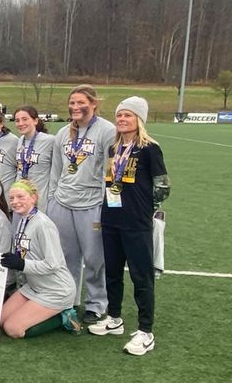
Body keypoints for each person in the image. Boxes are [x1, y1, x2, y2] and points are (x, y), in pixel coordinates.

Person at [88, 96, 170, 356]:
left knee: (140, 276)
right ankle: (114, 319)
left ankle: (146, 332)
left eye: (128, 115)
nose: (122, 119)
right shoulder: (114, 148)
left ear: (139, 120)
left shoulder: (149, 149)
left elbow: (163, 186)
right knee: (112, 272)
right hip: (111, 220)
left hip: (136, 223)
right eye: (119, 115)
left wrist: (145, 208)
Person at [48, 84, 116, 324]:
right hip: (63, 203)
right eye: (72, 102)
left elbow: (112, 170)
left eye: (80, 103)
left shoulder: (107, 130)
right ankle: (70, 298)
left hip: (92, 204)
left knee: (95, 258)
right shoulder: (63, 133)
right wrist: (52, 199)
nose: (75, 107)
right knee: (67, 256)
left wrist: (107, 204)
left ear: (94, 104)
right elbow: (56, 170)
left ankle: (97, 304)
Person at [0, 180, 76, 338]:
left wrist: (22, 264)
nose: (15, 202)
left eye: (20, 196)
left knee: (13, 329)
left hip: (56, 290)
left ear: (33, 198)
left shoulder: (43, 224)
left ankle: (63, 316)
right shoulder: (22, 220)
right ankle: (39, 311)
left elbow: (53, 264)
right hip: (34, 286)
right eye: (12, 198)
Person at [13, 106, 54, 210]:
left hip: (40, 200)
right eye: (17, 120)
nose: (20, 123)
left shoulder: (49, 141)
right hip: (21, 197)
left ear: (35, 121)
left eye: (25, 119)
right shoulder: (20, 140)